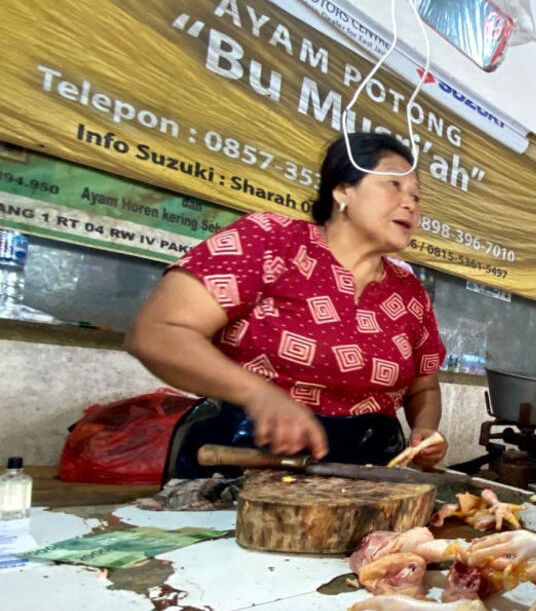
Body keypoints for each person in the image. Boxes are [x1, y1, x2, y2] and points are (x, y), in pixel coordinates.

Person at [128, 133, 447, 477]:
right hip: (239, 461)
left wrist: (425, 430)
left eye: (416, 196)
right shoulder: (270, 240)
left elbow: (424, 386)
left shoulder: (410, 292)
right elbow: (157, 333)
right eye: (394, 185)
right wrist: (257, 395)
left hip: (366, 476)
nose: (410, 204)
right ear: (343, 190)